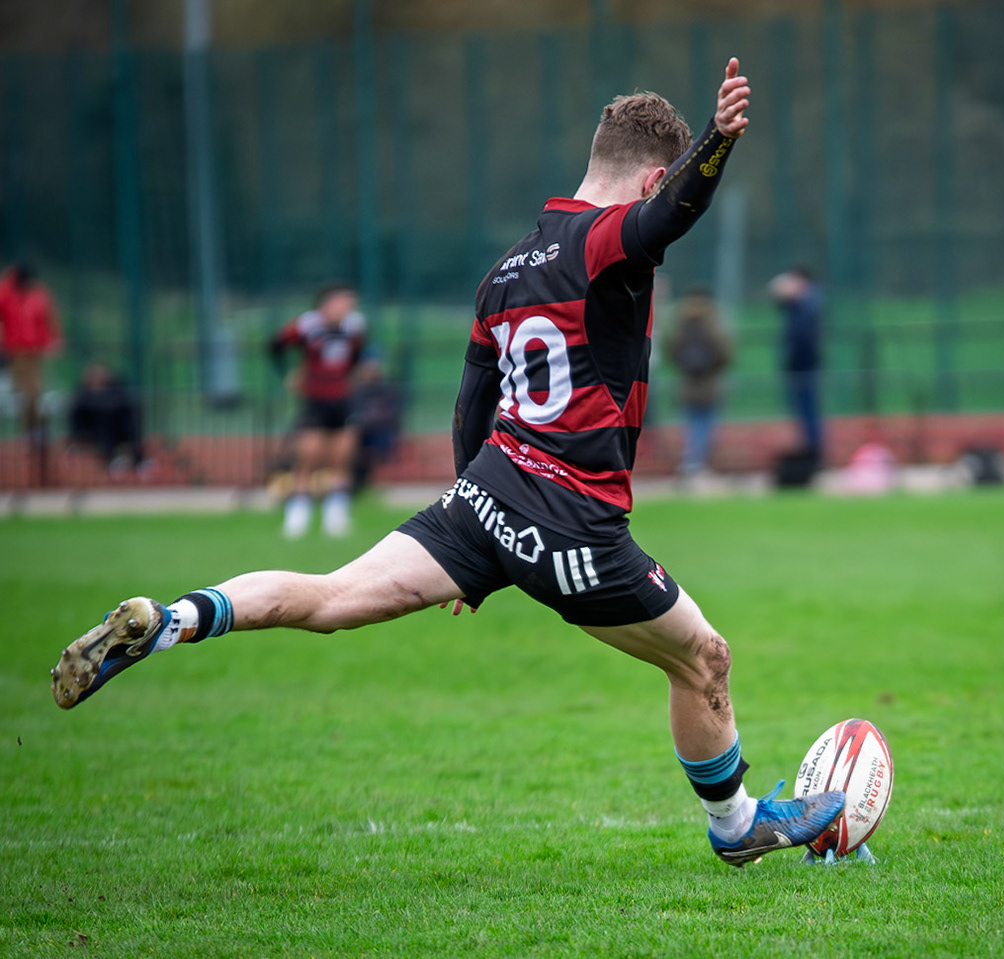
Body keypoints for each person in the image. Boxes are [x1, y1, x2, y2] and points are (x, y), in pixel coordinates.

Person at [50, 59, 845, 868]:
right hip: (572, 519)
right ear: (647, 176)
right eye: (656, 185)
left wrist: (476, 535)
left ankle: (173, 619)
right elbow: (669, 216)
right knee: (703, 657)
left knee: (329, 596)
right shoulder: (607, 240)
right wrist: (717, 141)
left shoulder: (504, 270)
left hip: (486, 496)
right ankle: (736, 825)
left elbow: (471, 407)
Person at [270, 285, 365, 538]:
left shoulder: (354, 327)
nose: (346, 308)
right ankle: (298, 514)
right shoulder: (307, 326)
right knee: (308, 455)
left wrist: (350, 376)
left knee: (342, 456)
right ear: (325, 305)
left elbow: (357, 356)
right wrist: (290, 374)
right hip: (314, 400)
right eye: (341, 302)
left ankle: (336, 515)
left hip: (342, 400)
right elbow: (275, 345)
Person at [665, 289, 732, 479]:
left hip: (687, 382)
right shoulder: (713, 322)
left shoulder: (682, 323)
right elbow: (725, 351)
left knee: (690, 424)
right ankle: (698, 463)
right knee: (706, 423)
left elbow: (672, 349)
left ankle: (689, 461)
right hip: (710, 382)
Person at [0, 263, 62, 439]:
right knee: (32, 392)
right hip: (15, 352)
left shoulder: (38, 294)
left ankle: (33, 429)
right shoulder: (5, 292)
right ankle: (34, 429)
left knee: (34, 392)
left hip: (35, 351)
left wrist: (54, 340)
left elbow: (49, 318)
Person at [769, 265, 823, 462]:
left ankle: (814, 453)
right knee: (803, 411)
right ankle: (810, 450)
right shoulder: (799, 303)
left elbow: (804, 336)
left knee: (809, 411)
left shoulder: (808, 303)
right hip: (799, 365)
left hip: (805, 365)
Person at [68, 362, 144, 472]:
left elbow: (124, 408)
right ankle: (109, 461)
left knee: (129, 428)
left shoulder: (116, 389)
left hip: (118, 428)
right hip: (93, 430)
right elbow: (78, 417)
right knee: (104, 430)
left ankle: (137, 461)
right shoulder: (83, 394)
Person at [350, 356, 402, 489]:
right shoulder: (357, 391)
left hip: (381, 430)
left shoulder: (386, 390)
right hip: (363, 431)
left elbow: (393, 413)